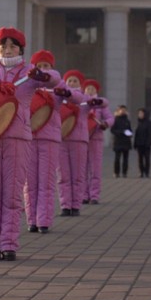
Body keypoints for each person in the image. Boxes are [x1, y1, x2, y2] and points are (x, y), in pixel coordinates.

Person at [0, 27, 56, 262]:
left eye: (13, 46)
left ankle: (8, 243)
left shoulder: (29, 72)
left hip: (18, 137)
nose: (8, 50)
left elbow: (55, 79)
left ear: (21, 49)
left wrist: (44, 77)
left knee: (12, 193)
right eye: (3, 46)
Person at [25, 50, 62, 233]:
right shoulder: (28, 85)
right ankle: (32, 220)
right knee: (30, 183)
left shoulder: (56, 85)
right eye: (38, 66)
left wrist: (46, 77)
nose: (42, 69)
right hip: (29, 138)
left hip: (49, 139)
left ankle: (44, 221)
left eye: (46, 65)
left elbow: (76, 97)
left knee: (46, 182)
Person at [56, 69, 96, 216]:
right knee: (63, 175)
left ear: (80, 84)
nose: (72, 83)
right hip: (62, 140)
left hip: (79, 140)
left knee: (78, 175)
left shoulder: (84, 98)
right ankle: (65, 205)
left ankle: (76, 205)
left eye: (75, 81)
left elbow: (102, 103)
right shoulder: (59, 98)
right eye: (69, 81)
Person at [83, 79, 113, 204]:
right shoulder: (81, 102)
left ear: (96, 90)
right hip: (82, 139)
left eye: (92, 89)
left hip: (96, 138)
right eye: (88, 88)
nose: (90, 91)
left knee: (95, 168)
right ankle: (84, 195)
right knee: (82, 168)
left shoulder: (100, 104)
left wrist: (105, 124)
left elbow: (110, 118)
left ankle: (94, 195)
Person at [110, 105, 133, 177]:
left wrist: (130, 133)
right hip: (118, 141)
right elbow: (112, 130)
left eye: (124, 110)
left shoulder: (127, 121)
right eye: (121, 110)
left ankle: (124, 173)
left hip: (126, 142)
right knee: (117, 158)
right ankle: (116, 172)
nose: (123, 111)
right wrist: (121, 132)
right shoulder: (115, 120)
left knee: (125, 159)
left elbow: (130, 129)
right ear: (118, 111)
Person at [133, 108, 151, 177]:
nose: (140, 115)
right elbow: (137, 134)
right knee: (140, 159)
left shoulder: (149, 123)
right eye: (139, 113)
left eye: (141, 113)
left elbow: (150, 134)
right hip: (139, 144)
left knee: (147, 159)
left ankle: (147, 172)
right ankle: (141, 172)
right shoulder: (139, 122)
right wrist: (135, 143)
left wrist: (148, 143)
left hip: (146, 144)